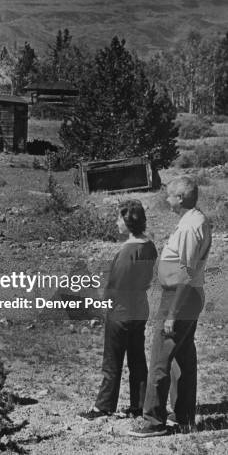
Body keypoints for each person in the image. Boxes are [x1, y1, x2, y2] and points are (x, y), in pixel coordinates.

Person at [129, 176, 212, 437]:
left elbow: (185, 273)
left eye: (169, 195)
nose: (166, 199)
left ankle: (153, 421)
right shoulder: (196, 220)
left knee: (160, 359)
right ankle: (185, 416)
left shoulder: (189, 228)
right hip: (187, 296)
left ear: (180, 198)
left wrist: (172, 314)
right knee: (184, 356)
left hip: (179, 297)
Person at [80, 200, 157, 420]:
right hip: (139, 308)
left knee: (112, 360)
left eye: (118, 218)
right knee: (136, 358)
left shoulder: (127, 252)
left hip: (121, 311)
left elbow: (116, 286)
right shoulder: (149, 246)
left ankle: (103, 406)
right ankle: (140, 404)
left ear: (127, 221)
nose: (116, 222)